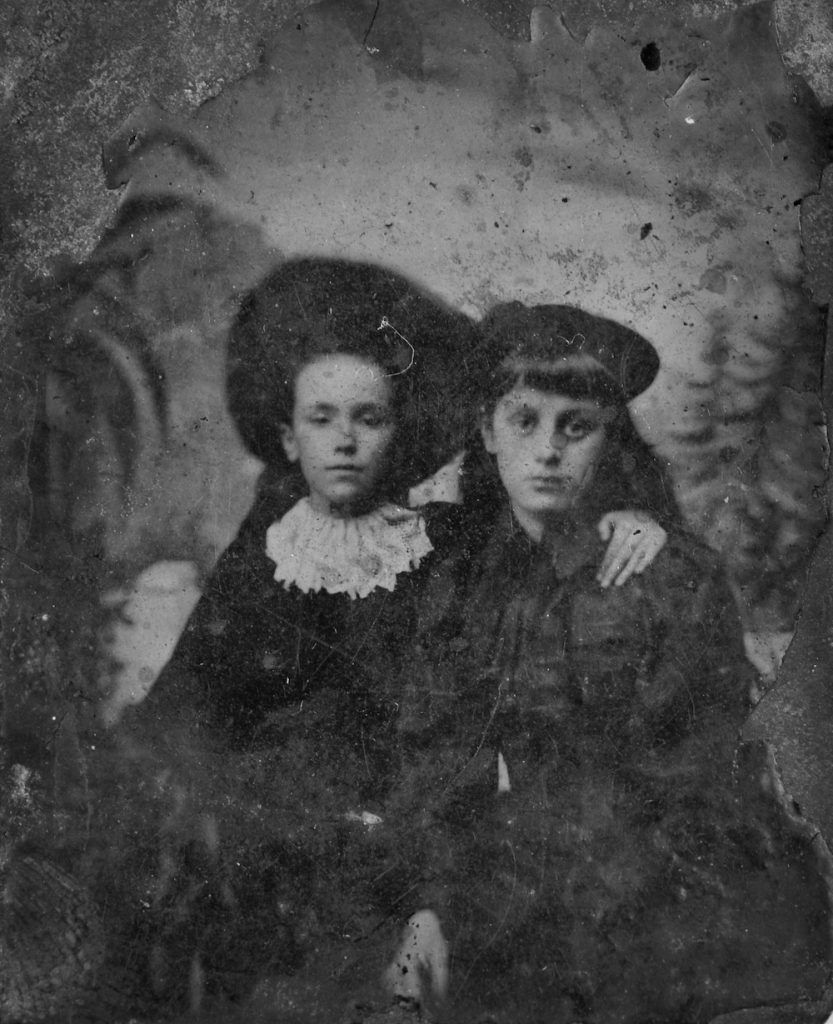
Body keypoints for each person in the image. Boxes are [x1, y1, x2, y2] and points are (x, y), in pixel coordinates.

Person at [110, 269, 669, 1013]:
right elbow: (186, 706)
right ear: (287, 435)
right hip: (261, 853)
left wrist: (631, 514)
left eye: (368, 418)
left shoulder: (441, 545)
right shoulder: (264, 549)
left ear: (397, 429)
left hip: (397, 853)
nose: (343, 441)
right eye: (321, 419)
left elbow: (538, 533)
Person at [383, 303, 833, 1024]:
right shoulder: (459, 578)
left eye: (576, 425)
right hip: (506, 882)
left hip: (654, 888)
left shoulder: (670, 574)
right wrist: (430, 904)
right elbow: (435, 756)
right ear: (485, 431)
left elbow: (693, 771)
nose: (548, 452)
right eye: (523, 420)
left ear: (607, 438)